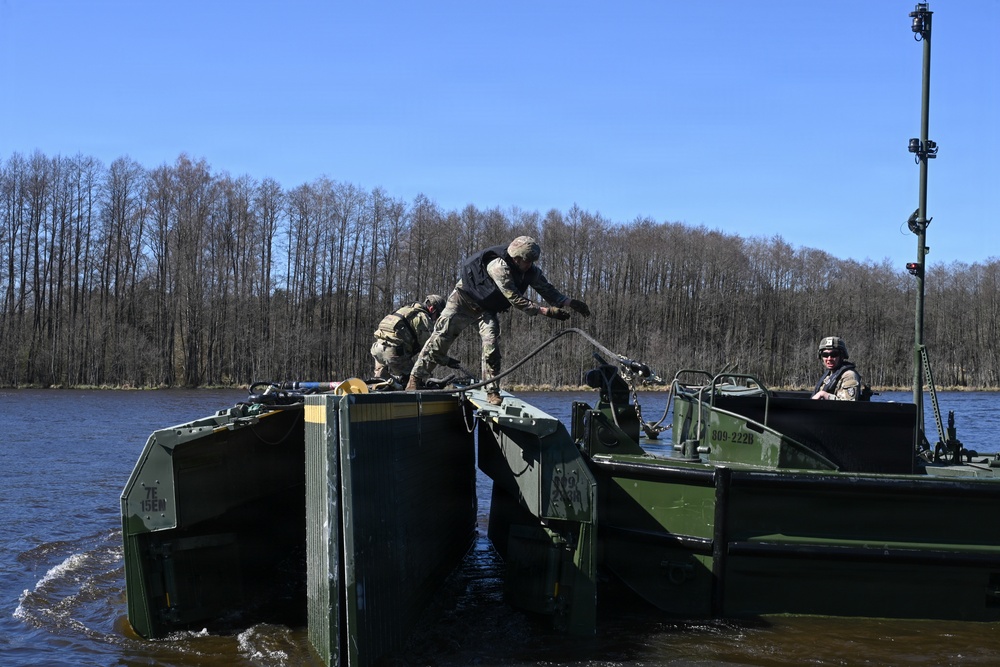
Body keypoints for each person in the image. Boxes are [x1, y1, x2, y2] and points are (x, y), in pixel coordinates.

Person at [405, 235, 590, 405]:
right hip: (463, 300)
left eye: (532, 262)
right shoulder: (498, 266)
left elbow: (546, 288)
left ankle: (492, 391)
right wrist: (546, 311)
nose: (529, 265)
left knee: (491, 347)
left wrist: (569, 302)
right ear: (517, 258)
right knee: (440, 339)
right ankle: (415, 380)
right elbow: (515, 299)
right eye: (527, 261)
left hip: (487, 308)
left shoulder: (530, 270)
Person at [370, 294, 458, 386]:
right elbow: (431, 349)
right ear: (432, 309)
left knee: (381, 381)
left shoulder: (404, 310)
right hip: (394, 354)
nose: (436, 319)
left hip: (376, 349)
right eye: (438, 315)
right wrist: (446, 360)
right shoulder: (422, 318)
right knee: (413, 383)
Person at [811, 336, 863, 401]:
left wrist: (824, 395)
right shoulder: (829, 376)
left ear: (842, 356)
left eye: (834, 354)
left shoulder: (849, 376)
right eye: (825, 355)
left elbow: (849, 404)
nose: (829, 359)